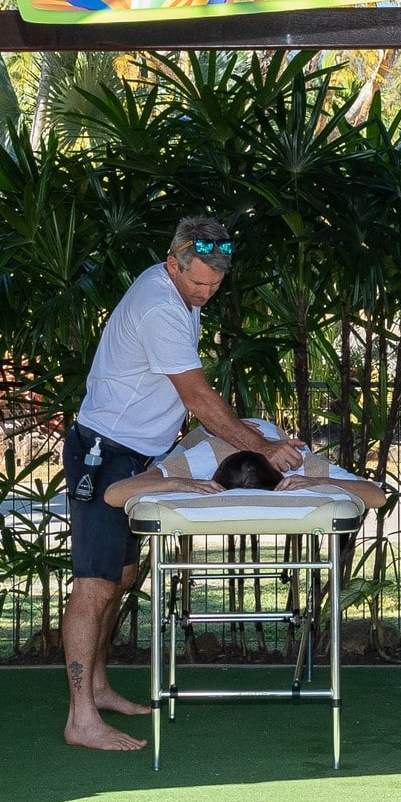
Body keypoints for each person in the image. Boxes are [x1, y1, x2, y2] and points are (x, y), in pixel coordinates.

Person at [61, 216, 300, 752]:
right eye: (198, 284)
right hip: (105, 454)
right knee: (93, 586)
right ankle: (79, 719)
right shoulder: (159, 305)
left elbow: (182, 403)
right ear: (173, 262)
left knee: (120, 581)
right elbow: (196, 398)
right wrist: (260, 447)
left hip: (139, 456)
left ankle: (96, 688)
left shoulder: (182, 296)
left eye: (215, 287)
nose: (206, 294)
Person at [103, 419, 388, 511]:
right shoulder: (199, 459)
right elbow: (113, 493)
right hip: (208, 436)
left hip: (265, 435)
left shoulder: (297, 463)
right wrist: (177, 482)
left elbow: (377, 496)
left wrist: (322, 482)